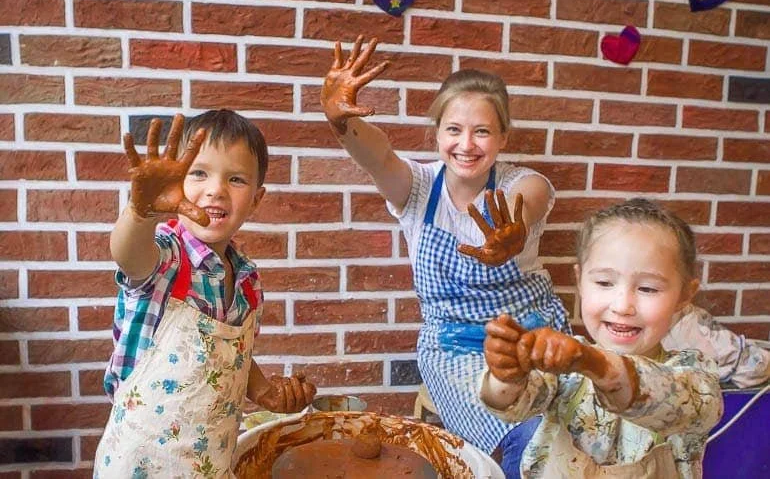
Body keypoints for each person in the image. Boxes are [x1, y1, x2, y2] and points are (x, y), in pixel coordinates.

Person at [320, 35, 570, 473]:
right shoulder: (417, 187)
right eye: (454, 129)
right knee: (527, 436)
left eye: (482, 131)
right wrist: (342, 124)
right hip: (454, 345)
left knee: (575, 423)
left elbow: (528, 200)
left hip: (532, 333)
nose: (466, 144)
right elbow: (379, 158)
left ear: (503, 137)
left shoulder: (523, 184)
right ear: (437, 133)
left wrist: (516, 228)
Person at [94, 110, 316, 477]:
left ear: (256, 199)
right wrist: (140, 212)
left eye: (236, 178)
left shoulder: (247, 280)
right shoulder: (166, 256)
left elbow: (230, 358)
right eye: (198, 173)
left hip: (211, 466)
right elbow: (126, 254)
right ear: (175, 183)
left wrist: (264, 392)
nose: (216, 189)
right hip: (140, 467)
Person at [480, 198, 724, 478]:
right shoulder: (564, 370)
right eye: (604, 283)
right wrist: (506, 375)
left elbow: (689, 406)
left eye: (647, 288)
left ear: (684, 295)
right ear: (580, 281)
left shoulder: (694, 376)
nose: (622, 306)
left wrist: (595, 364)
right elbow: (512, 406)